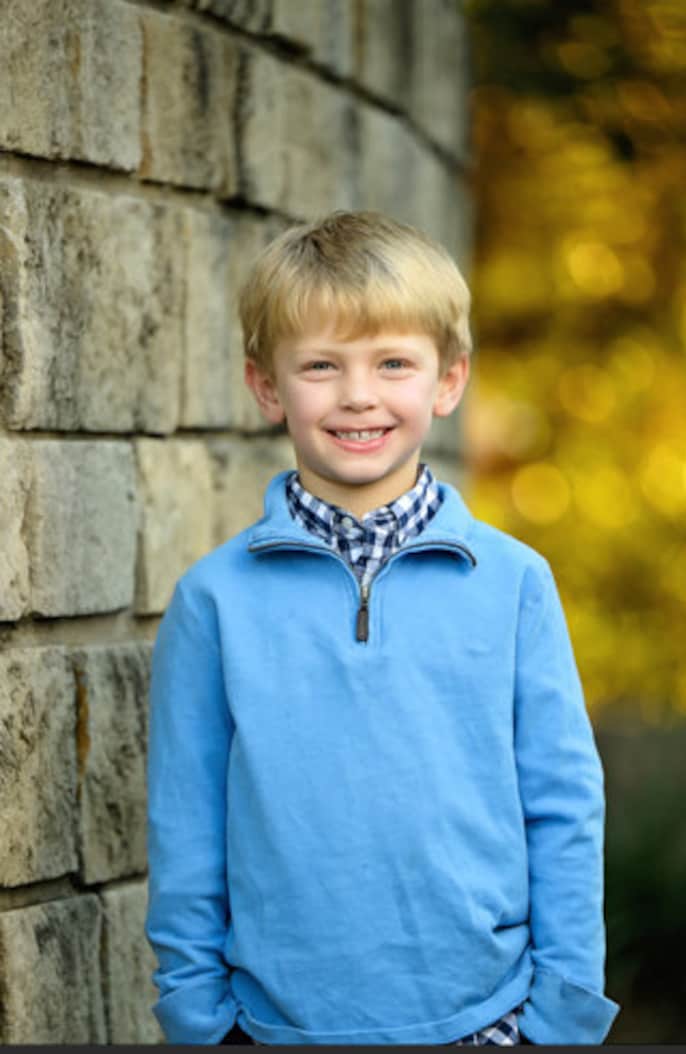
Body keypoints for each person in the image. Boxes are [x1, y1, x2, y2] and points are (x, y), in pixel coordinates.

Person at [145, 210, 620, 1046]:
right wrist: (199, 1019)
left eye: (393, 363)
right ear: (266, 387)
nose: (358, 395)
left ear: (448, 380)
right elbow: (185, 824)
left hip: (489, 1022)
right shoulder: (213, 600)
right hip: (272, 1029)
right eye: (321, 366)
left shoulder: (513, 584)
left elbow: (564, 804)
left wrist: (562, 1015)